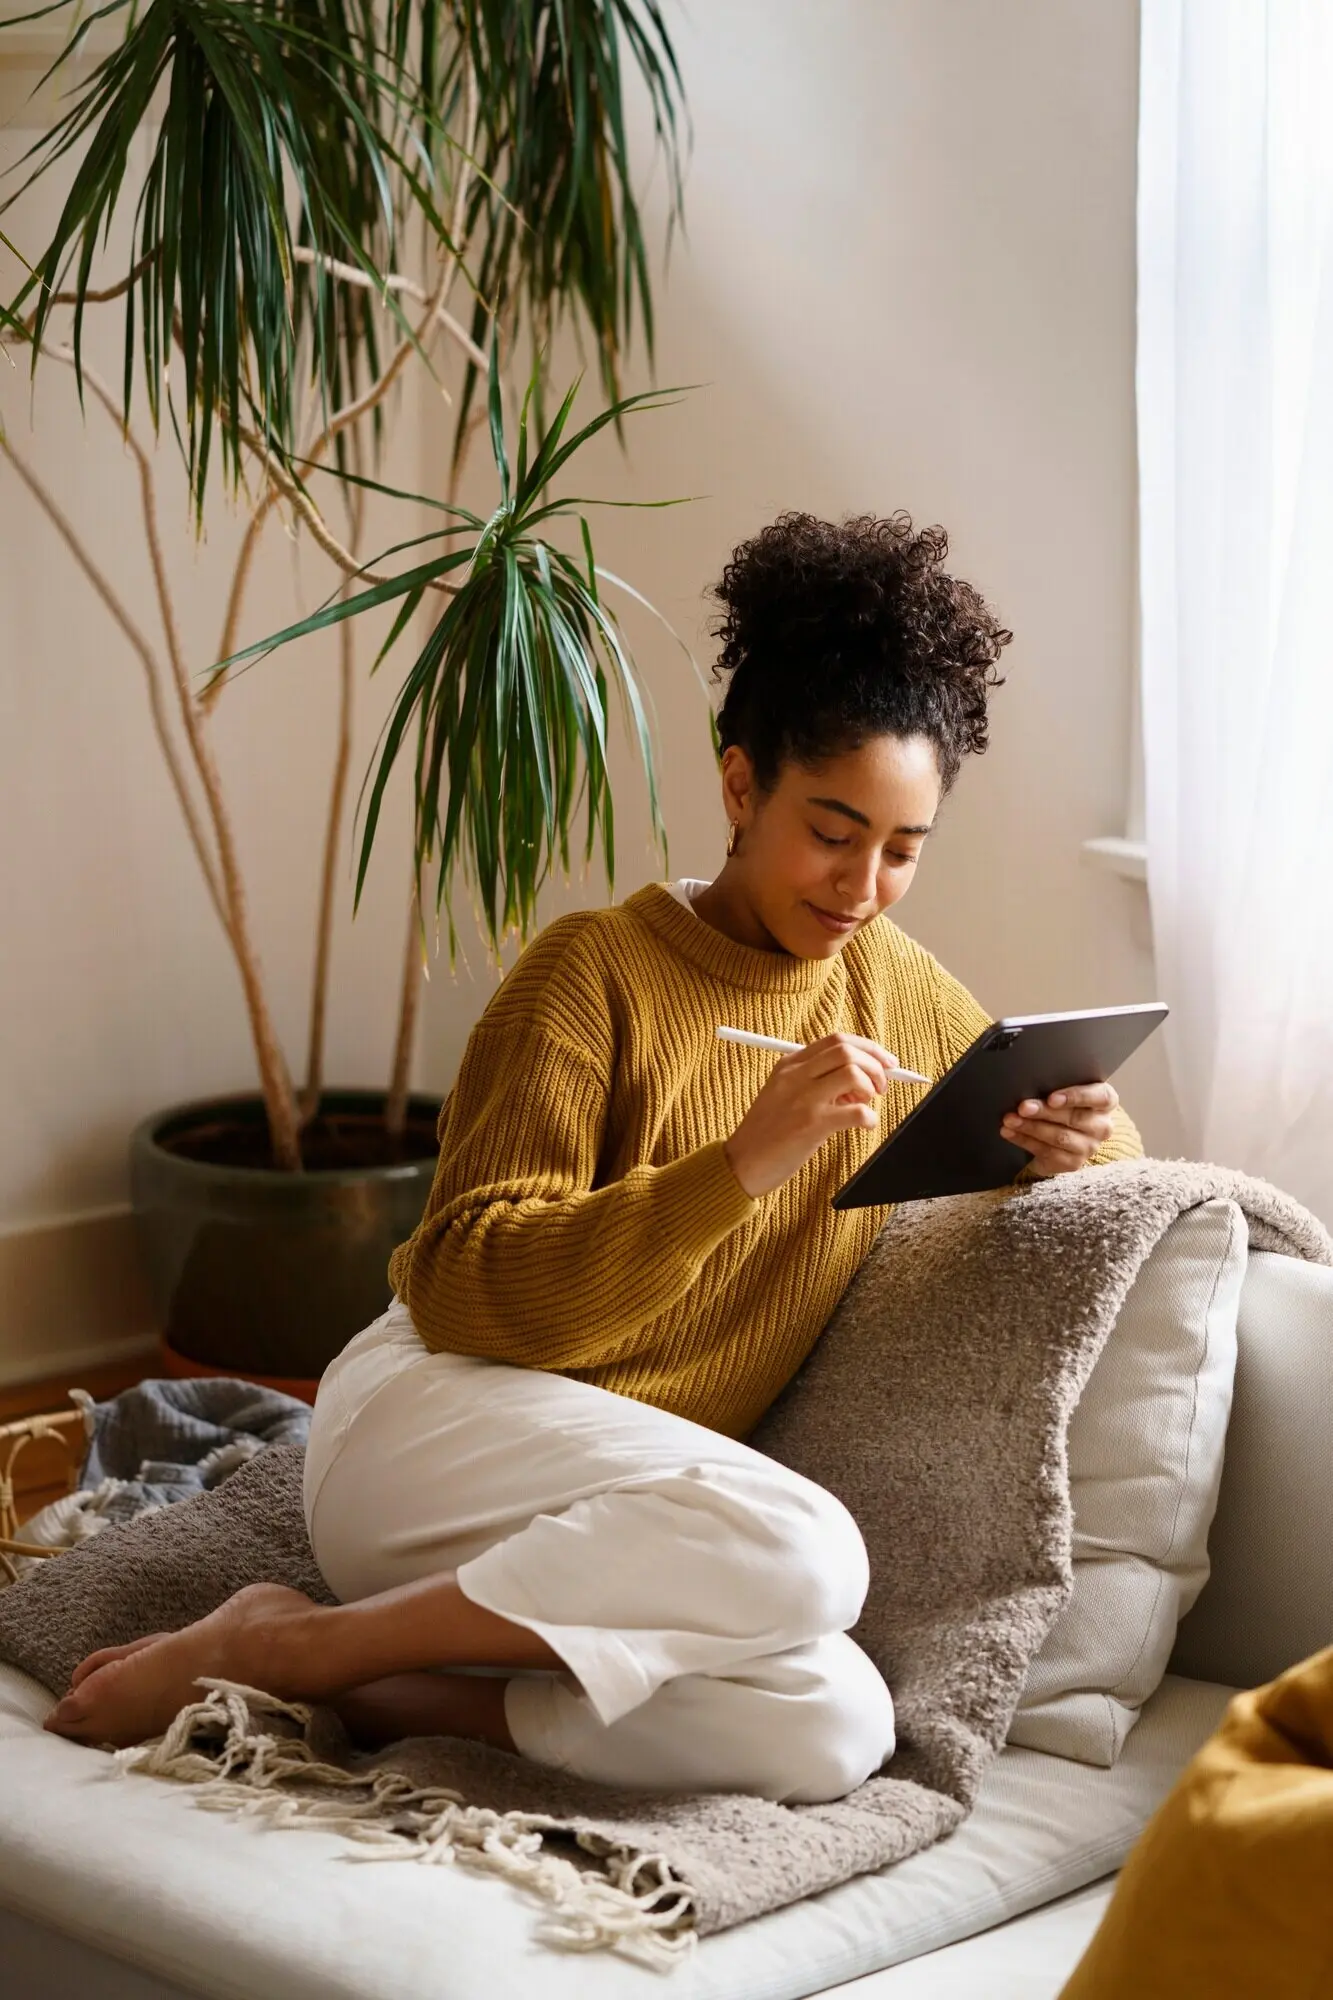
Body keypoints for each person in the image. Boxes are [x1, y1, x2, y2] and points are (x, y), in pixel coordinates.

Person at [47, 513, 1142, 1800]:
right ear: (740, 787)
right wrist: (738, 1162)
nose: (863, 884)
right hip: (432, 1426)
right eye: (832, 830)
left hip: (620, 1528)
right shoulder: (591, 972)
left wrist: (1084, 1135)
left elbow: (1061, 1129)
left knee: (832, 1722)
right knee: (809, 1548)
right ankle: (297, 1634)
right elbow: (459, 1282)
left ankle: (322, 1665)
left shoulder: (886, 984)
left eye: (903, 849)